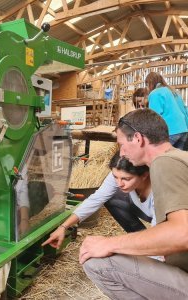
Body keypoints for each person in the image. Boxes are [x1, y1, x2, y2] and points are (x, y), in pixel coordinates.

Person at [81, 108, 188, 299]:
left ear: (138, 139)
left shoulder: (164, 163)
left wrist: (110, 244)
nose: (121, 153)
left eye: (121, 145)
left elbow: (182, 233)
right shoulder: (181, 157)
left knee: (97, 264)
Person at [42, 151, 154, 250]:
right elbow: (97, 198)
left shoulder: (159, 192)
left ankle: (145, 244)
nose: (119, 183)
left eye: (126, 179)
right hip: (146, 212)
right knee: (112, 197)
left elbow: (163, 234)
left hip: (163, 222)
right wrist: (63, 227)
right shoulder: (120, 174)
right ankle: (138, 236)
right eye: (115, 177)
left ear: (144, 175)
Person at [145, 71, 188, 149]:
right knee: (176, 158)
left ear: (150, 83)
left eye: (147, 85)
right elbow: (185, 111)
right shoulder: (173, 92)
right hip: (183, 129)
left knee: (160, 156)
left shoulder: (155, 93)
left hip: (170, 131)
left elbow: (153, 116)